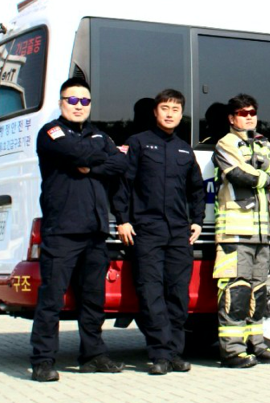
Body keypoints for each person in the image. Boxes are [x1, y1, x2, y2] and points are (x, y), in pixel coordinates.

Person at [30, 78, 128, 382]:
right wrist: (101, 154)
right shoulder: (51, 132)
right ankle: (43, 360)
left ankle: (93, 355)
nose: (78, 106)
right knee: (51, 299)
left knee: (92, 299)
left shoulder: (99, 133)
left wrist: (93, 161)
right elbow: (81, 155)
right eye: (72, 100)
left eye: (84, 101)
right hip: (62, 230)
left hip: (96, 230)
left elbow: (121, 165)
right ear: (61, 102)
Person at [113, 89, 206, 375]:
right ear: (155, 112)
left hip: (179, 232)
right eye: (165, 108)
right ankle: (159, 355)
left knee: (177, 294)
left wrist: (198, 220)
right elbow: (123, 184)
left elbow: (196, 189)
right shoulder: (139, 144)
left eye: (175, 109)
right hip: (146, 231)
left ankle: (175, 354)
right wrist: (122, 220)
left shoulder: (184, 150)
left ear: (181, 114)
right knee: (151, 293)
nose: (169, 113)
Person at [213, 94, 270, 367]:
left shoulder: (264, 143)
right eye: (242, 112)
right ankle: (232, 352)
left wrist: (263, 166)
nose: (248, 116)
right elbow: (239, 175)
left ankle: (256, 345)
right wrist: (266, 173)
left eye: (252, 112)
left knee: (259, 291)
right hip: (234, 233)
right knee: (236, 292)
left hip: (262, 232)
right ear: (231, 117)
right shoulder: (225, 143)